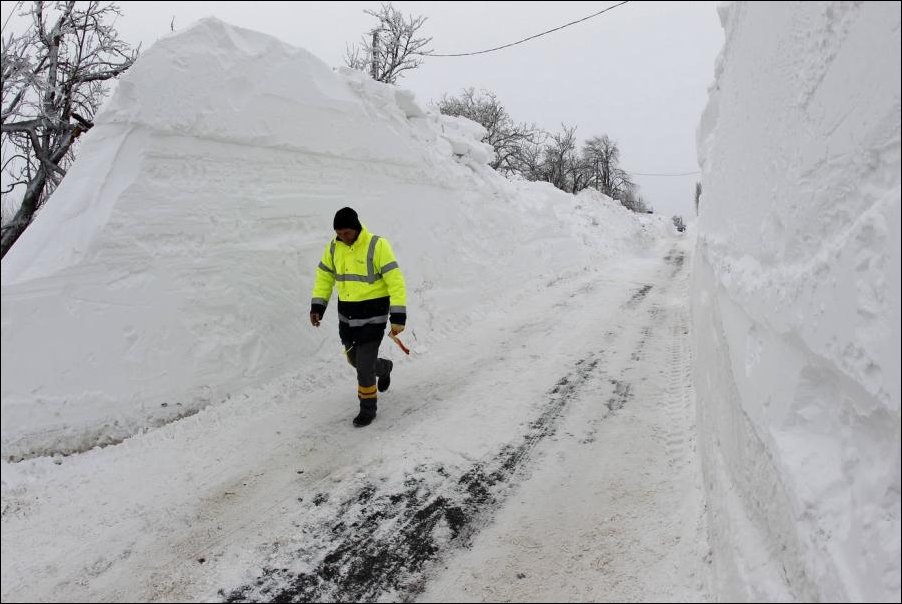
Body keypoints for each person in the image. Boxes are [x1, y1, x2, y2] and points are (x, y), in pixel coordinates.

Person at [309, 207, 407, 427]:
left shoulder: (377, 245)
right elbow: (324, 277)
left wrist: (398, 316)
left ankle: (367, 409)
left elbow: (395, 280)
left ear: (356, 228)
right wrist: (318, 306)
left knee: (363, 366)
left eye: (346, 233)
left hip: (374, 316)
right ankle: (384, 367)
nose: (342, 237)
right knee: (355, 360)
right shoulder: (334, 248)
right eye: (339, 233)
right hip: (348, 317)